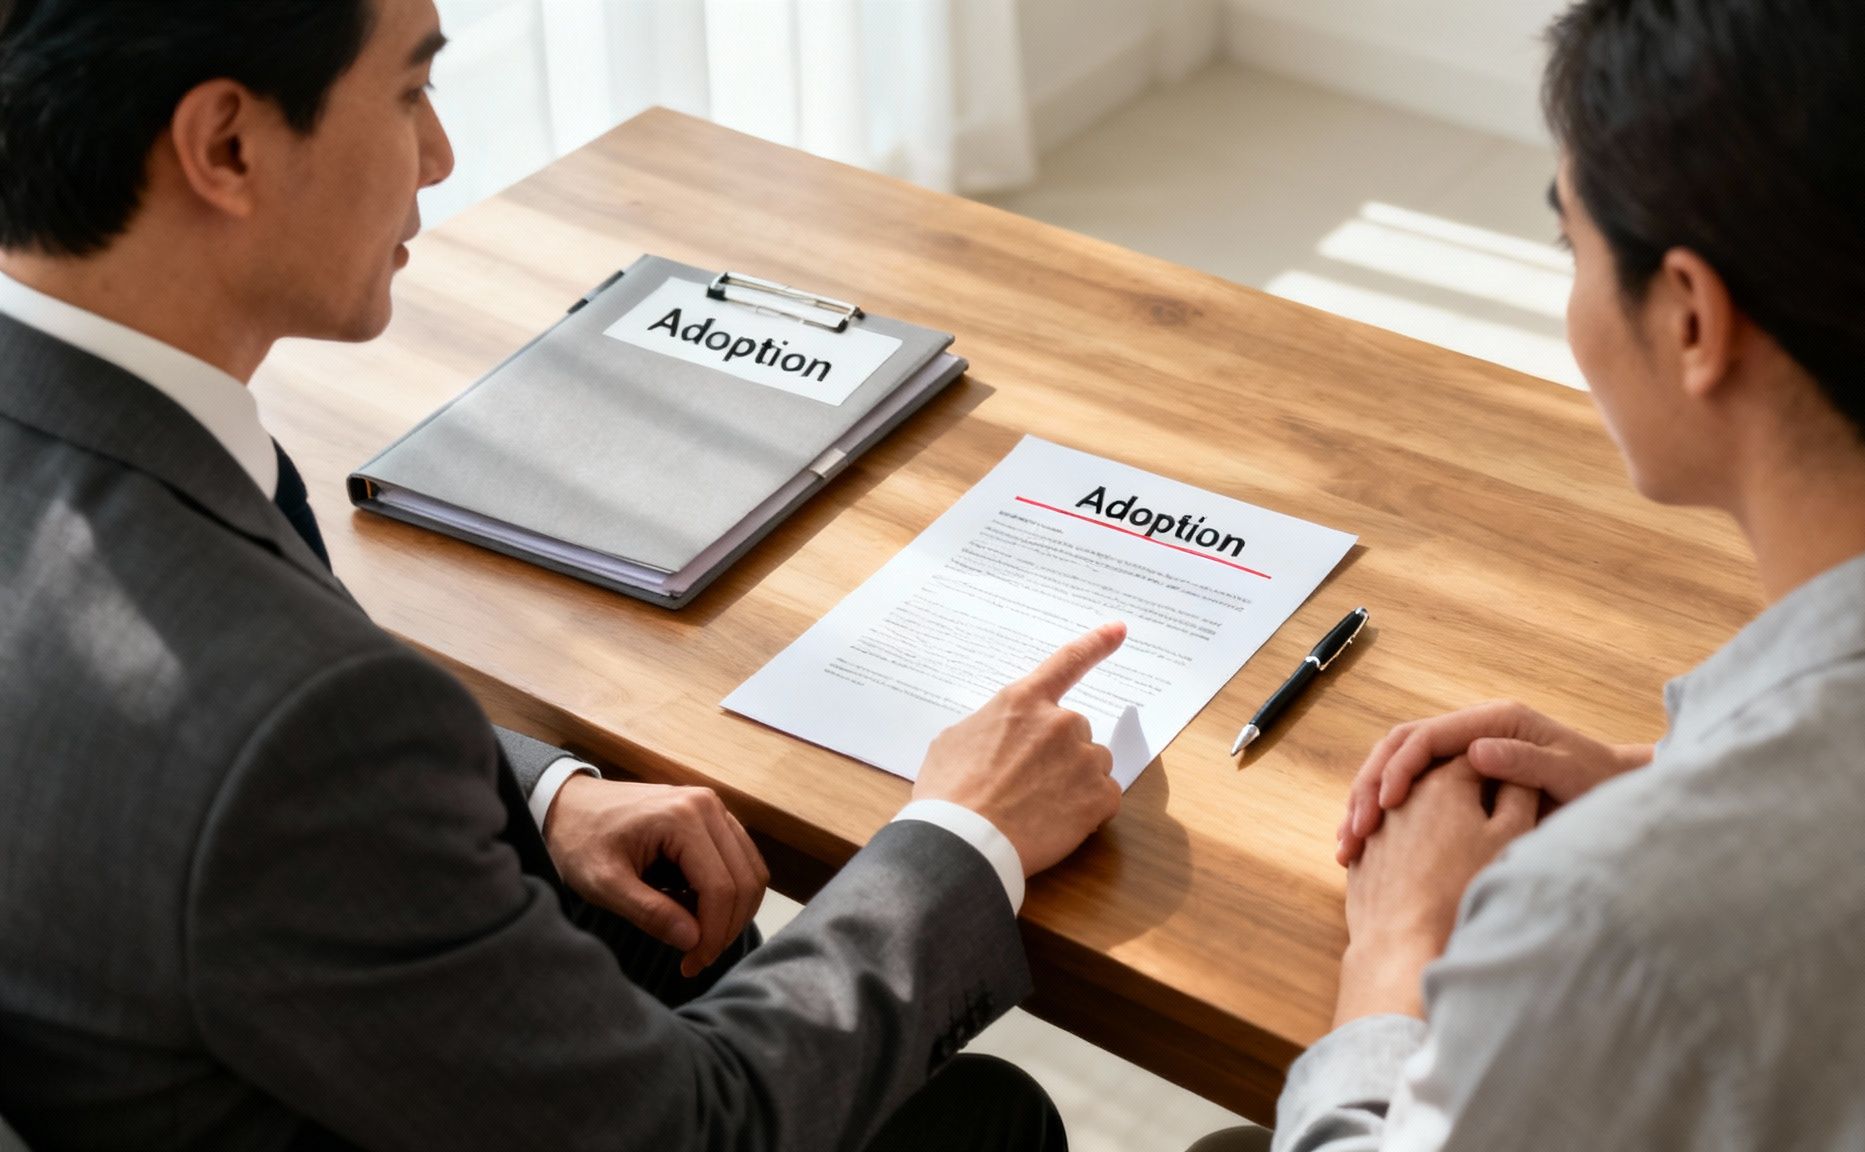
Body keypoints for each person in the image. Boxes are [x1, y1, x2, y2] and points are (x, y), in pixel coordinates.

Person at [0, 1, 1128, 1149]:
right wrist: (961, 830)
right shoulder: (300, 729)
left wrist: (542, 791)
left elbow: (267, 705)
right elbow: (693, 1133)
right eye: (407, 91)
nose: (440, 152)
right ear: (228, 146)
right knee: (979, 1125)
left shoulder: (99, 425)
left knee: (672, 926)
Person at [1267, 0, 1865, 1148]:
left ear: (1690, 316)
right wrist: (1667, 773)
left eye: (1569, 244)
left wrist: (1397, 945)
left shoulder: (1609, 928)